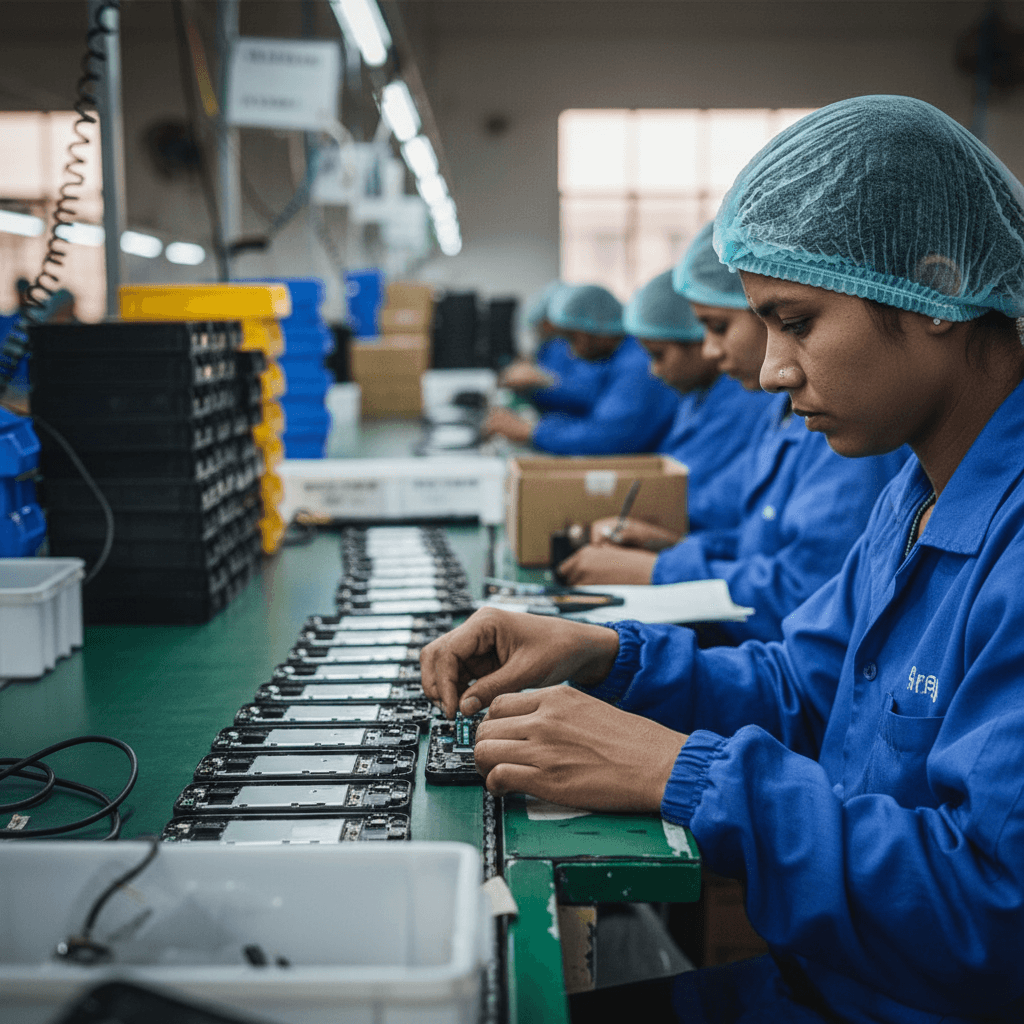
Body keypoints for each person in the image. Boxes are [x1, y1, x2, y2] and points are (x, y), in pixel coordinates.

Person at [421, 96, 1024, 1023]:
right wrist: (608, 656)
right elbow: (814, 684)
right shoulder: (920, 485)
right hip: (829, 980)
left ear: (935, 287)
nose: (774, 371)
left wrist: (685, 773)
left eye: (798, 320)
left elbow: (996, 917)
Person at [559, 226, 907, 644]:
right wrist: (674, 548)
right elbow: (758, 541)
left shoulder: (847, 427)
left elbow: (807, 593)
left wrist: (660, 571)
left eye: (718, 327)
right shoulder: (778, 410)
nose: (708, 349)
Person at [589, 267, 771, 539]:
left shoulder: (746, 400)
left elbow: (698, 498)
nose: (653, 370)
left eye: (659, 355)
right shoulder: (696, 395)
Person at [485, 283, 679, 455]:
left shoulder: (637, 364)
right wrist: (541, 386)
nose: (570, 352)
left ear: (597, 329)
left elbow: (608, 437)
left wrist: (532, 431)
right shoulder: (615, 357)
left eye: (572, 338)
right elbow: (588, 398)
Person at [500, 280, 604, 416]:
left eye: (543, 322)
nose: (540, 329)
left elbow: (589, 394)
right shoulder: (550, 346)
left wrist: (544, 380)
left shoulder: (586, 346)